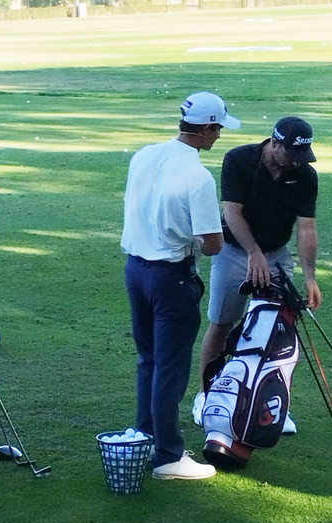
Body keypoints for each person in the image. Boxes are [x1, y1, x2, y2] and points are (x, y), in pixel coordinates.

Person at [121, 91, 239, 480]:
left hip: (136, 269)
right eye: (217, 129)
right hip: (171, 277)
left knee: (148, 359)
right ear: (205, 129)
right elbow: (212, 244)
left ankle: (144, 436)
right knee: (170, 367)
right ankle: (168, 455)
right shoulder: (198, 177)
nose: (219, 135)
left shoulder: (145, 155)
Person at [195, 116, 321, 434]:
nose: (297, 162)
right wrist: (254, 252)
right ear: (274, 143)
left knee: (277, 332)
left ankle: (268, 403)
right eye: (292, 154)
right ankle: (207, 396)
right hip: (234, 250)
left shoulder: (305, 175)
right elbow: (231, 212)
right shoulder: (239, 160)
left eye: (302, 156)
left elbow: (307, 228)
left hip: (277, 254)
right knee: (222, 325)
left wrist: (310, 277)